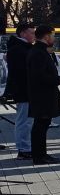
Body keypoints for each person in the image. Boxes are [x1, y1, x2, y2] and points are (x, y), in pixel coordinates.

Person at [26, 25, 60, 165]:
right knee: (40, 126)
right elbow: (40, 76)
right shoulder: (38, 52)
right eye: (53, 35)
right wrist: (59, 80)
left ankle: (42, 154)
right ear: (46, 36)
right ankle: (39, 156)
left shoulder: (41, 51)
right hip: (41, 96)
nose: (54, 38)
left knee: (43, 125)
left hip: (43, 95)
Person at [3, 24, 34, 158]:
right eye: (31, 32)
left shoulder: (22, 48)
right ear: (22, 34)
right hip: (23, 90)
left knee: (27, 120)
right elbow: (20, 73)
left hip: (26, 90)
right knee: (24, 121)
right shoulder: (18, 49)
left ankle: (25, 147)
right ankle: (23, 149)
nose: (33, 35)